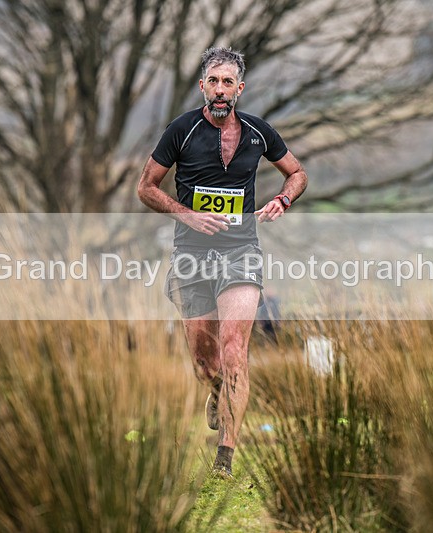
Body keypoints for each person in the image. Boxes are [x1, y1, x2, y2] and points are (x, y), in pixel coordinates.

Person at [137, 46, 308, 479]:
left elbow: (297, 173)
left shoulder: (258, 132)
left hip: (240, 252)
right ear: (202, 86)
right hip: (191, 255)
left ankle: (225, 457)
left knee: (234, 350)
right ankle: (216, 390)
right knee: (205, 360)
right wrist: (187, 214)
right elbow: (146, 187)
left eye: (227, 82)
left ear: (239, 89)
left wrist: (283, 199)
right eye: (212, 81)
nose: (219, 89)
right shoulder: (181, 131)